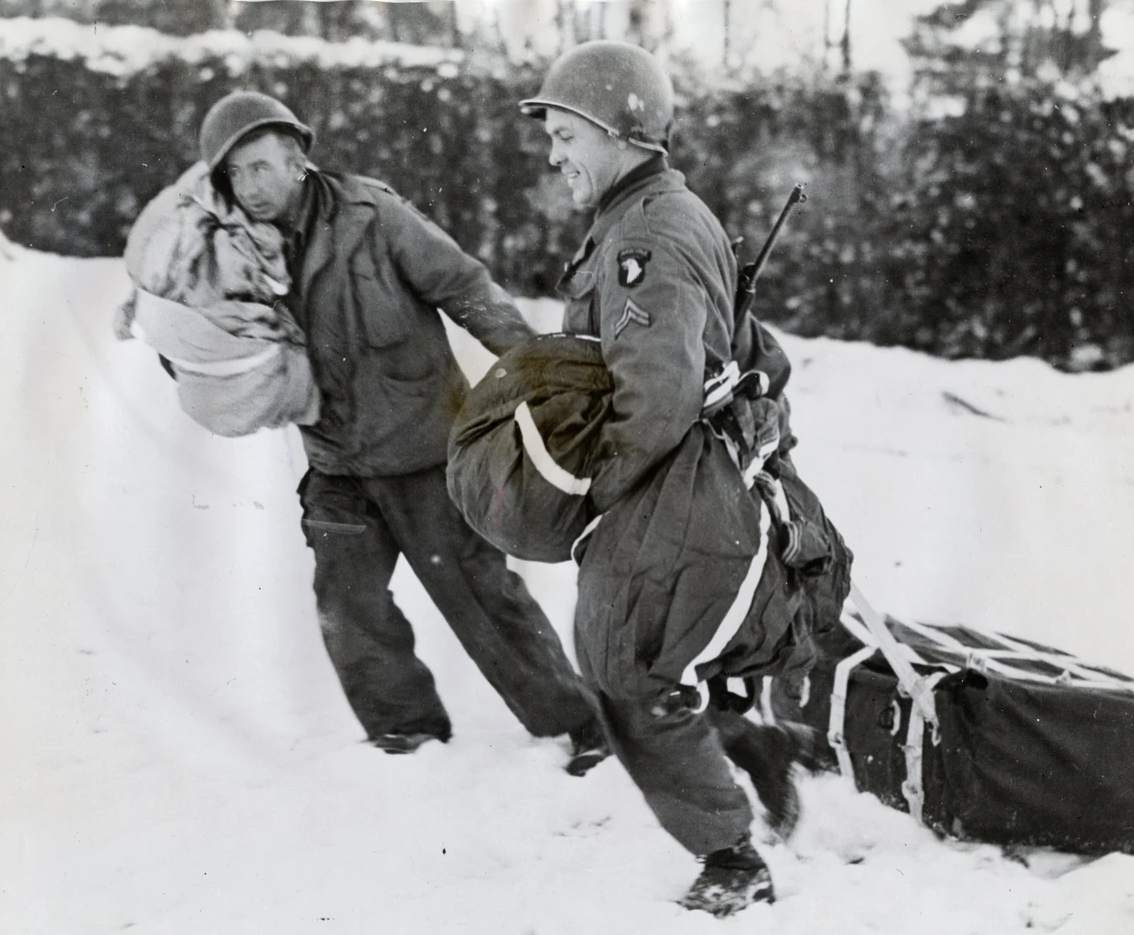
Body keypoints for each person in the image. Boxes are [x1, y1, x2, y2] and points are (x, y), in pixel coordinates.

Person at [517, 42, 852, 916]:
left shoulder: (645, 232)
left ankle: (733, 856)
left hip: (674, 477)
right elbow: (749, 349)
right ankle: (752, 747)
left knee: (625, 665)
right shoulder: (658, 211)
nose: (552, 155)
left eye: (562, 134)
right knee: (646, 657)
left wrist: (595, 492)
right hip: (693, 471)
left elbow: (655, 396)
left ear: (614, 128)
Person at [189, 90, 607, 775]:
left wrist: (542, 375)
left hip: (427, 449)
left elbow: (463, 286)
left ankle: (580, 726)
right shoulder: (237, 252)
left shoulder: (373, 215)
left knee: (480, 596)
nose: (252, 186)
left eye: (262, 166)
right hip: (335, 462)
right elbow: (207, 334)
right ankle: (403, 730)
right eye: (237, 174)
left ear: (298, 160)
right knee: (345, 601)